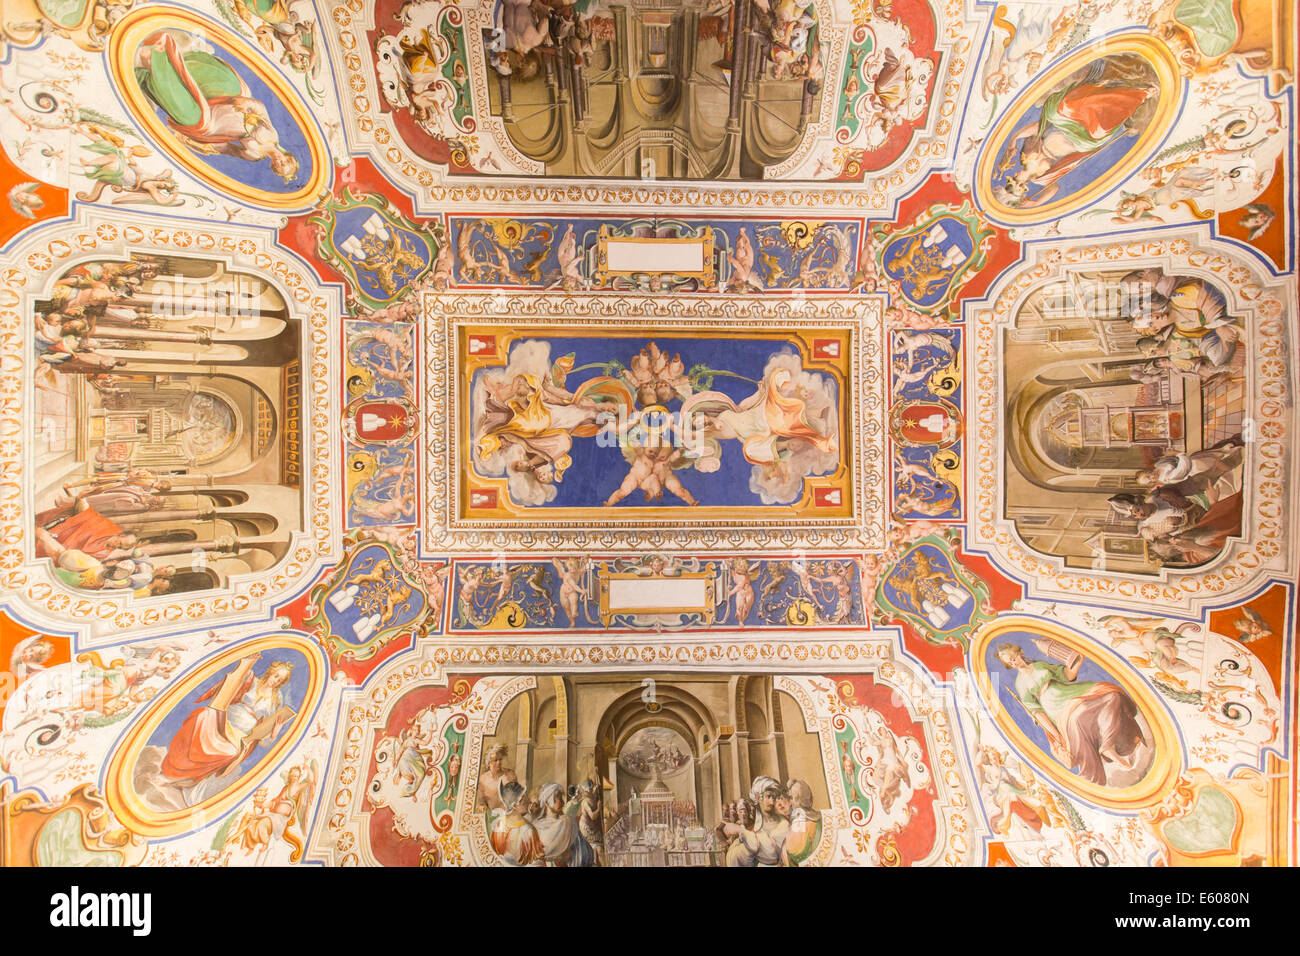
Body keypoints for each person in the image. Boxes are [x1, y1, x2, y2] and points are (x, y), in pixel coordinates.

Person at [996, 642, 1148, 786]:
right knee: (1077, 719)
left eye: (1013, 658)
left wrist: (1077, 661)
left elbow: (1066, 675)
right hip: (1053, 704)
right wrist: (1056, 735)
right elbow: (1037, 712)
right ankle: (1101, 762)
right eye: (1010, 663)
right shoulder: (1020, 683)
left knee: (1112, 695)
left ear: (1018, 653)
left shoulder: (1039, 665)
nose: (1014, 663)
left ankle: (1108, 746)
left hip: (1070, 692)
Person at [154, 654, 296, 803]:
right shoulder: (252, 681)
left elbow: (263, 737)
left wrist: (274, 734)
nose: (276, 681)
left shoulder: (274, 701)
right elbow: (233, 681)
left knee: (230, 753)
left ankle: (181, 780)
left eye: (280, 680)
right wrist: (247, 661)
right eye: (276, 676)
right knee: (203, 716)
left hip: (239, 736)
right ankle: (171, 772)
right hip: (223, 720)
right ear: (271, 672)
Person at [490, 780, 544, 866]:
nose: (527, 801)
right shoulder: (529, 831)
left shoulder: (499, 824)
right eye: (523, 799)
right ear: (514, 805)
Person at [477, 743, 517, 813]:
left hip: (509, 815)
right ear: (488, 763)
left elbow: (518, 796)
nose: (499, 762)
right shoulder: (483, 779)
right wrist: (482, 806)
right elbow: (481, 801)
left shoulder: (510, 774)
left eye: (500, 759)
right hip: (492, 815)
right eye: (495, 760)